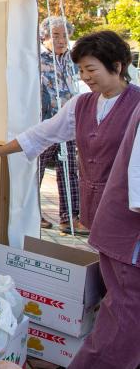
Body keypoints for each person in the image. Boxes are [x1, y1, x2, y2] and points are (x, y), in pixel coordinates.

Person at [0, 31, 140, 231]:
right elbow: (43, 132)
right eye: (80, 70)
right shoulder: (81, 104)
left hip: (129, 209)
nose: (85, 77)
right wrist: (0, 150)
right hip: (95, 204)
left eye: (90, 69)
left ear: (116, 66)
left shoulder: (136, 104)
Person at [68, 101, 140, 368]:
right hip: (128, 238)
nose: (86, 76)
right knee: (120, 334)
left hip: (122, 233)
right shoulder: (83, 104)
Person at [36, 16, 83, 234]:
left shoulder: (73, 61)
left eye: (64, 35)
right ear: (44, 37)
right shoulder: (36, 59)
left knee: (70, 171)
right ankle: (34, 214)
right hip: (45, 122)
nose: (61, 40)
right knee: (37, 170)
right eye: (55, 35)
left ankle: (70, 218)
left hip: (69, 122)